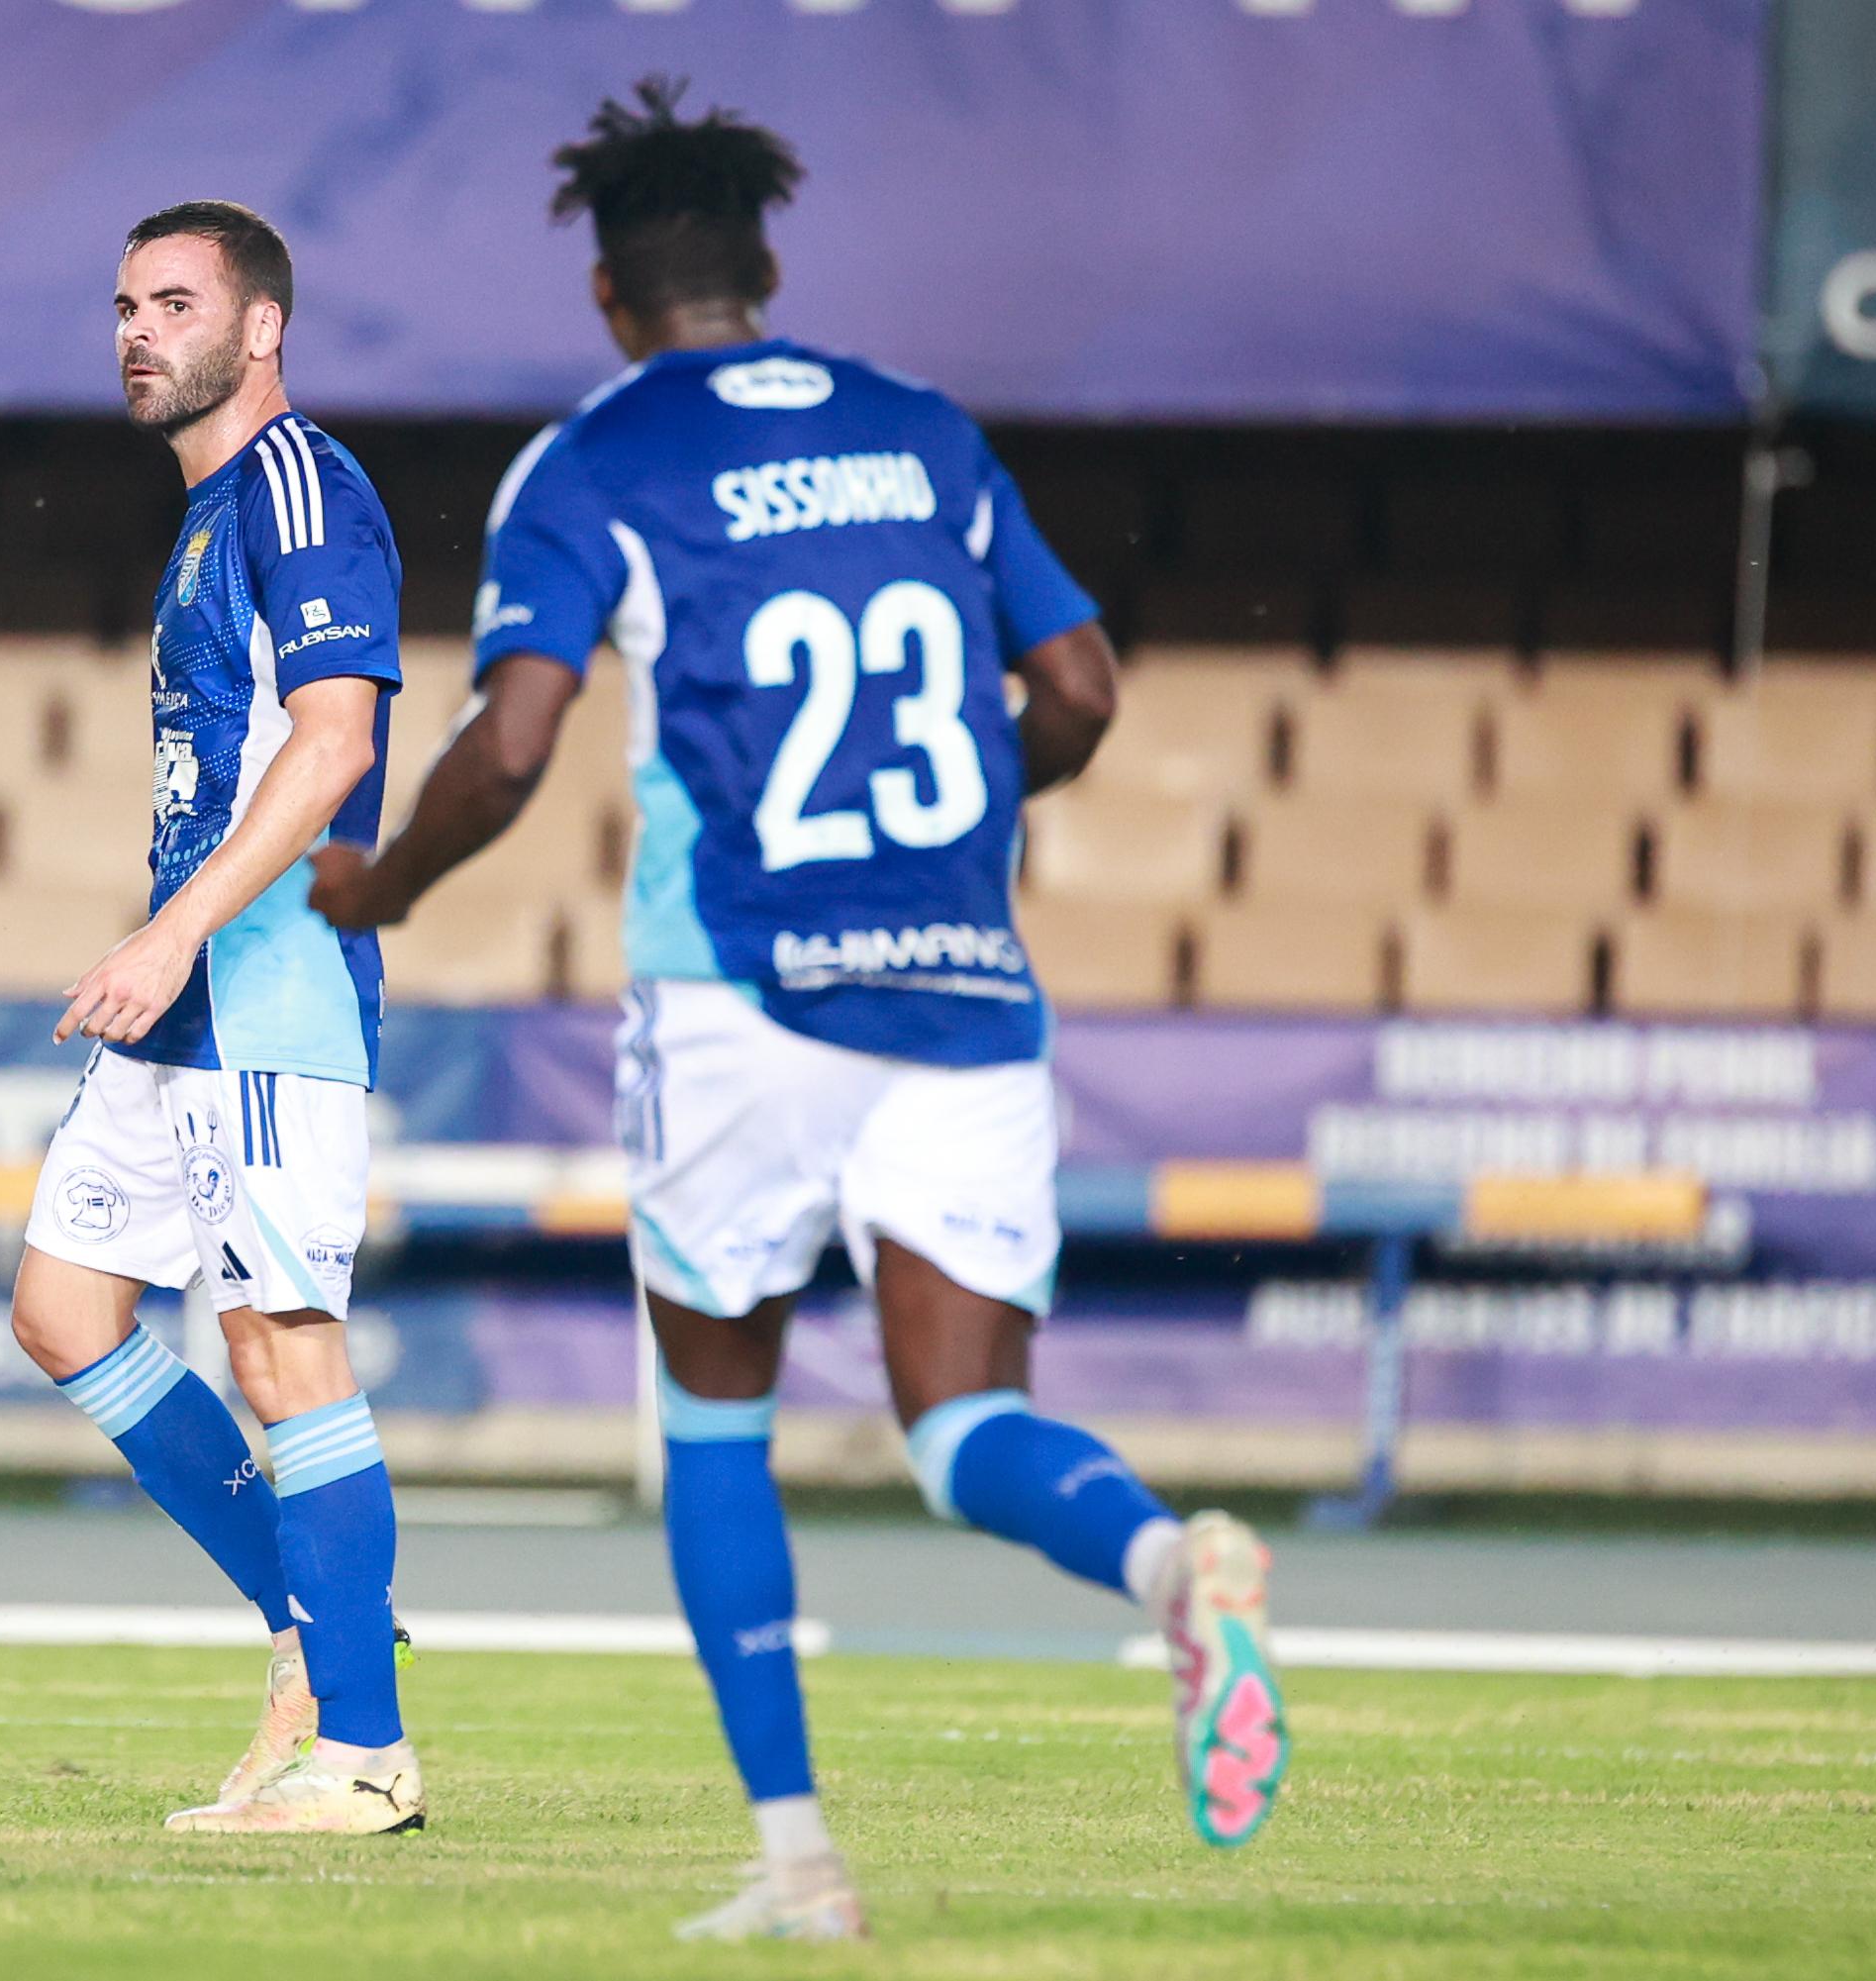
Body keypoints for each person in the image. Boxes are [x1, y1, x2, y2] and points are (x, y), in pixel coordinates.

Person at [311, 84, 1283, 1931]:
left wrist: (382, 885)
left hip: (742, 990)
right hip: (965, 984)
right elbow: (1076, 693)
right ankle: (1172, 1566)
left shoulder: (596, 460)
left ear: (610, 298)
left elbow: (510, 746)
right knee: (957, 1424)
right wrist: (967, 822)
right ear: (764, 268)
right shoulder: (926, 435)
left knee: (714, 1420)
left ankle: (799, 1864)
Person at [13, 200, 419, 1836]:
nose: (137, 328)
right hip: (186, 1000)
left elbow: (332, 748)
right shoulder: (205, 515)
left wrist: (174, 932)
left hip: (267, 989)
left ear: (261, 330)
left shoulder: (306, 488)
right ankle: (324, 1633)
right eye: (122, 303)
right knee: (62, 1310)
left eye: (175, 301)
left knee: (281, 1349)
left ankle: (367, 1752)